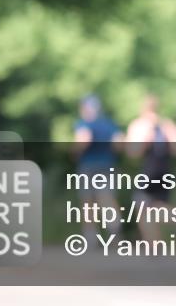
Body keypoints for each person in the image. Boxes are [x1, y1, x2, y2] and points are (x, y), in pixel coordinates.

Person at [126, 94, 176, 241]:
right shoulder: (166, 124)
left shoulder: (140, 124)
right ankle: (173, 219)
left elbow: (132, 152)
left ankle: (155, 243)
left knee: (142, 207)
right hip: (165, 171)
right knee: (155, 206)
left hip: (149, 171)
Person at [74, 94, 125, 242]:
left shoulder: (84, 124)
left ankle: (91, 236)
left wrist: (75, 151)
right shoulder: (109, 124)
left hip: (88, 165)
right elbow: (119, 142)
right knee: (107, 197)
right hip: (107, 164)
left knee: (87, 201)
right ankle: (115, 230)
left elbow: (84, 139)